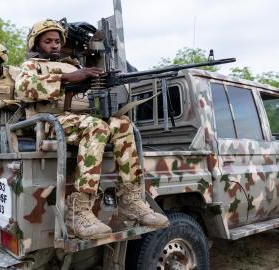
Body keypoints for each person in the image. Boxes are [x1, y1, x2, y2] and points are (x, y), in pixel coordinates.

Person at [15, 19, 168, 239]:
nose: (54, 45)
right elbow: (24, 88)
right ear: (36, 44)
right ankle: (78, 213)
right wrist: (69, 78)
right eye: (48, 41)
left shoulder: (74, 65)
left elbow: (89, 94)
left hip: (82, 119)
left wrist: (101, 79)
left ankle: (131, 201)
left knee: (123, 123)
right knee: (95, 126)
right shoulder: (32, 66)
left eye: (57, 41)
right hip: (51, 122)